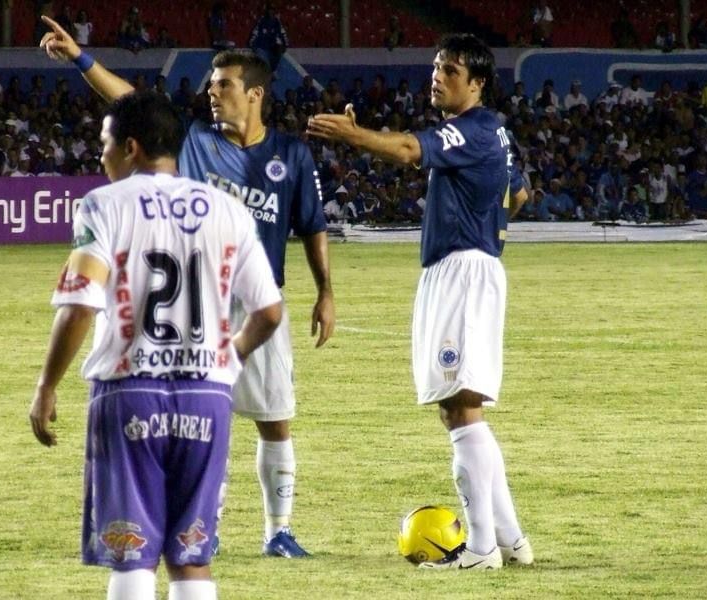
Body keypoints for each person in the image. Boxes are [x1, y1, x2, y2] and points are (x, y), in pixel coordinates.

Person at [40, 16, 335, 558]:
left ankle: (278, 531)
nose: (210, 93)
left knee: (275, 417)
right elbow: (133, 100)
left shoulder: (290, 154)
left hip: (263, 295)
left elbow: (312, 227)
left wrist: (326, 292)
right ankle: (205, 528)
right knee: (204, 416)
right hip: (202, 300)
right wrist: (81, 58)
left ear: (254, 93)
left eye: (221, 85)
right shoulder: (194, 140)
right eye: (209, 84)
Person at [28, 90, 283, 600]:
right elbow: (269, 311)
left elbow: (80, 305)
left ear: (131, 147)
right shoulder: (226, 210)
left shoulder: (103, 205)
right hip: (207, 398)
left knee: (132, 556)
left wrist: (47, 385)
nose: (100, 156)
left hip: (129, 393)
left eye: (105, 144)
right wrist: (228, 354)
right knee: (192, 558)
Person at [308, 33, 531, 570]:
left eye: (450, 70)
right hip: (473, 265)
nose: (437, 76)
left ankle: (480, 550)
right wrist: (486, 220)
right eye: (436, 67)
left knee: (460, 409)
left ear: (475, 83)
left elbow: (410, 149)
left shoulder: (471, 129)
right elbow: (520, 194)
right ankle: (510, 540)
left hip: (460, 269)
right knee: (462, 408)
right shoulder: (495, 133)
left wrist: (354, 134)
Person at [248, 1, 288, 72]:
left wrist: (286, 44)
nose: (270, 11)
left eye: (272, 10)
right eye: (269, 9)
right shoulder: (261, 21)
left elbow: (282, 33)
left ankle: (273, 71)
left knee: (278, 49)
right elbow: (255, 32)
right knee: (262, 61)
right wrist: (252, 43)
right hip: (261, 47)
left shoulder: (276, 21)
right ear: (266, 10)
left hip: (271, 47)